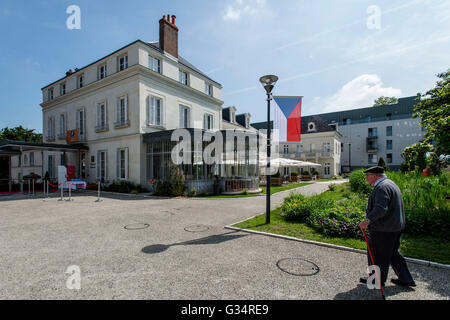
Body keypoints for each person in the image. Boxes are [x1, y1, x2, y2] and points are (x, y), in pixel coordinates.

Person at [359, 166, 416, 287]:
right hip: (394, 226)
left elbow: (381, 208)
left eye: (367, 175)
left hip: (383, 229)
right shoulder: (390, 183)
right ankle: (406, 279)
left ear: (375, 176)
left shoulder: (381, 187)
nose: (366, 178)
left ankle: (375, 281)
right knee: (392, 253)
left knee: (376, 254)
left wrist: (367, 221)